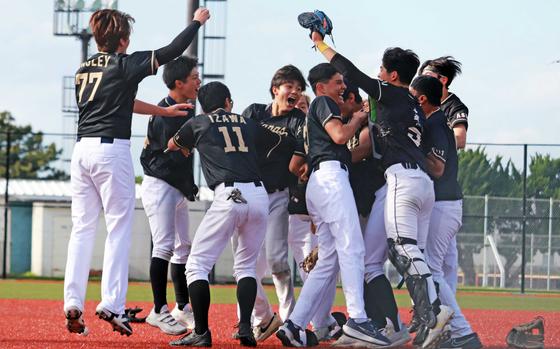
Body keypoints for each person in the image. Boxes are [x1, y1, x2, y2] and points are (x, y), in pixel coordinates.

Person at [63, 7, 210, 336]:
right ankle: (111, 304)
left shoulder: (84, 68)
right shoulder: (124, 63)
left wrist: (161, 110)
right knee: (118, 227)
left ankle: (72, 302)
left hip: (81, 150)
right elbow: (172, 51)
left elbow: (121, 101)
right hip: (110, 151)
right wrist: (197, 22)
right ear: (124, 40)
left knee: (82, 228)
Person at [309, 30, 453, 348]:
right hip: (420, 184)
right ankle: (393, 327)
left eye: (382, 71)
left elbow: (351, 72)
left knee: (404, 248)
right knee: (373, 260)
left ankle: (435, 311)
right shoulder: (414, 104)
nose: (377, 75)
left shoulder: (392, 92)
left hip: (402, 181)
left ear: (392, 75)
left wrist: (320, 44)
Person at [276, 63, 390, 348]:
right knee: (353, 247)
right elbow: (340, 136)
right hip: (330, 177)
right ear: (321, 87)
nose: (342, 87)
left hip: (320, 181)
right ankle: (358, 320)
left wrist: (357, 116)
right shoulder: (323, 102)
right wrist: (360, 117)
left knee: (328, 260)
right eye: (337, 82)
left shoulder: (317, 109)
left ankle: (294, 324)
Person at [167, 81, 285, 347]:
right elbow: (277, 139)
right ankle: (246, 328)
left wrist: (190, 145)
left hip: (229, 193)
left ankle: (201, 332)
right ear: (229, 102)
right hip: (258, 194)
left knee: (196, 265)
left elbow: (172, 145)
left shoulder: (199, 122)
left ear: (203, 105)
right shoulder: (247, 122)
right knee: (245, 267)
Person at [410, 76, 482, 349]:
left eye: (412, 95)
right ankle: (451, 332)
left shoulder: (436, 124)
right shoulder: (434, 122)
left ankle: (463, 333)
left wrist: (411, 150)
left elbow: (437, 169)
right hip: (443, 205)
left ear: (422, 99)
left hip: (444, 205)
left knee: (432, 271)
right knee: (431, 269)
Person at [237, 65, 306, 342]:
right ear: (275, 89)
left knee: (278, 259)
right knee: (247, 264)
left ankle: (289, 319)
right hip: (251, 192)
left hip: (278, 195)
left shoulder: (298, 119)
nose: (295, 92)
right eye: (290, 86)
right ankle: (261, 318)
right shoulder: (254, 112)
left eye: (299, 88)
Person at [140, 56, 201, 335]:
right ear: (179, 83)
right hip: (160, 184)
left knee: (182, 246)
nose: (198, 81)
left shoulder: (185, 109)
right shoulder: (167, 111)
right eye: (193, 77)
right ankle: (158, 310)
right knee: (164, 246)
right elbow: (167, 155)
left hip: (173, 186)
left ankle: (181, 307)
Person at [419, 57, 469, 298]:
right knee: (441, 261)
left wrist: (439, 136)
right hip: (432, 192)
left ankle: (445, 315)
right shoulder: (421, 102)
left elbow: (459, 138)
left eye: (429, 75)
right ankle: (441, 314)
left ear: (443, 80)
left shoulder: (452, 106)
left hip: (444, 192)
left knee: (441, 263)